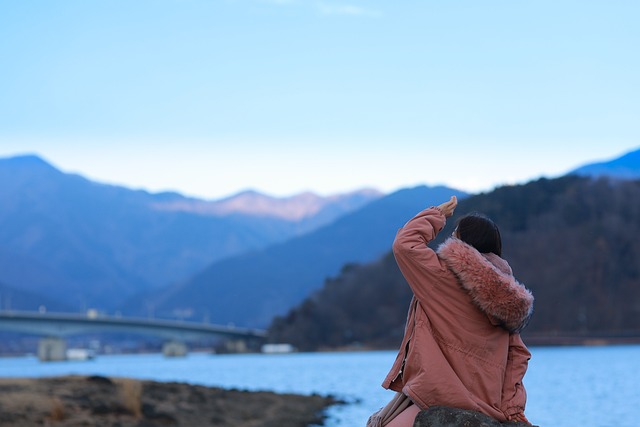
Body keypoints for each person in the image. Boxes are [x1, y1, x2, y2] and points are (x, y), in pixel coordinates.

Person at [367, 196, 534, 427]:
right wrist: (512, 410)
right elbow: (518, 355)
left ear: (460, 243)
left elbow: (404, 244)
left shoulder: (443, 276)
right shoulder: (508, 296)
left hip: (442, 394)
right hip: (488, 403)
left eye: (454, 234)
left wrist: (437, 214)